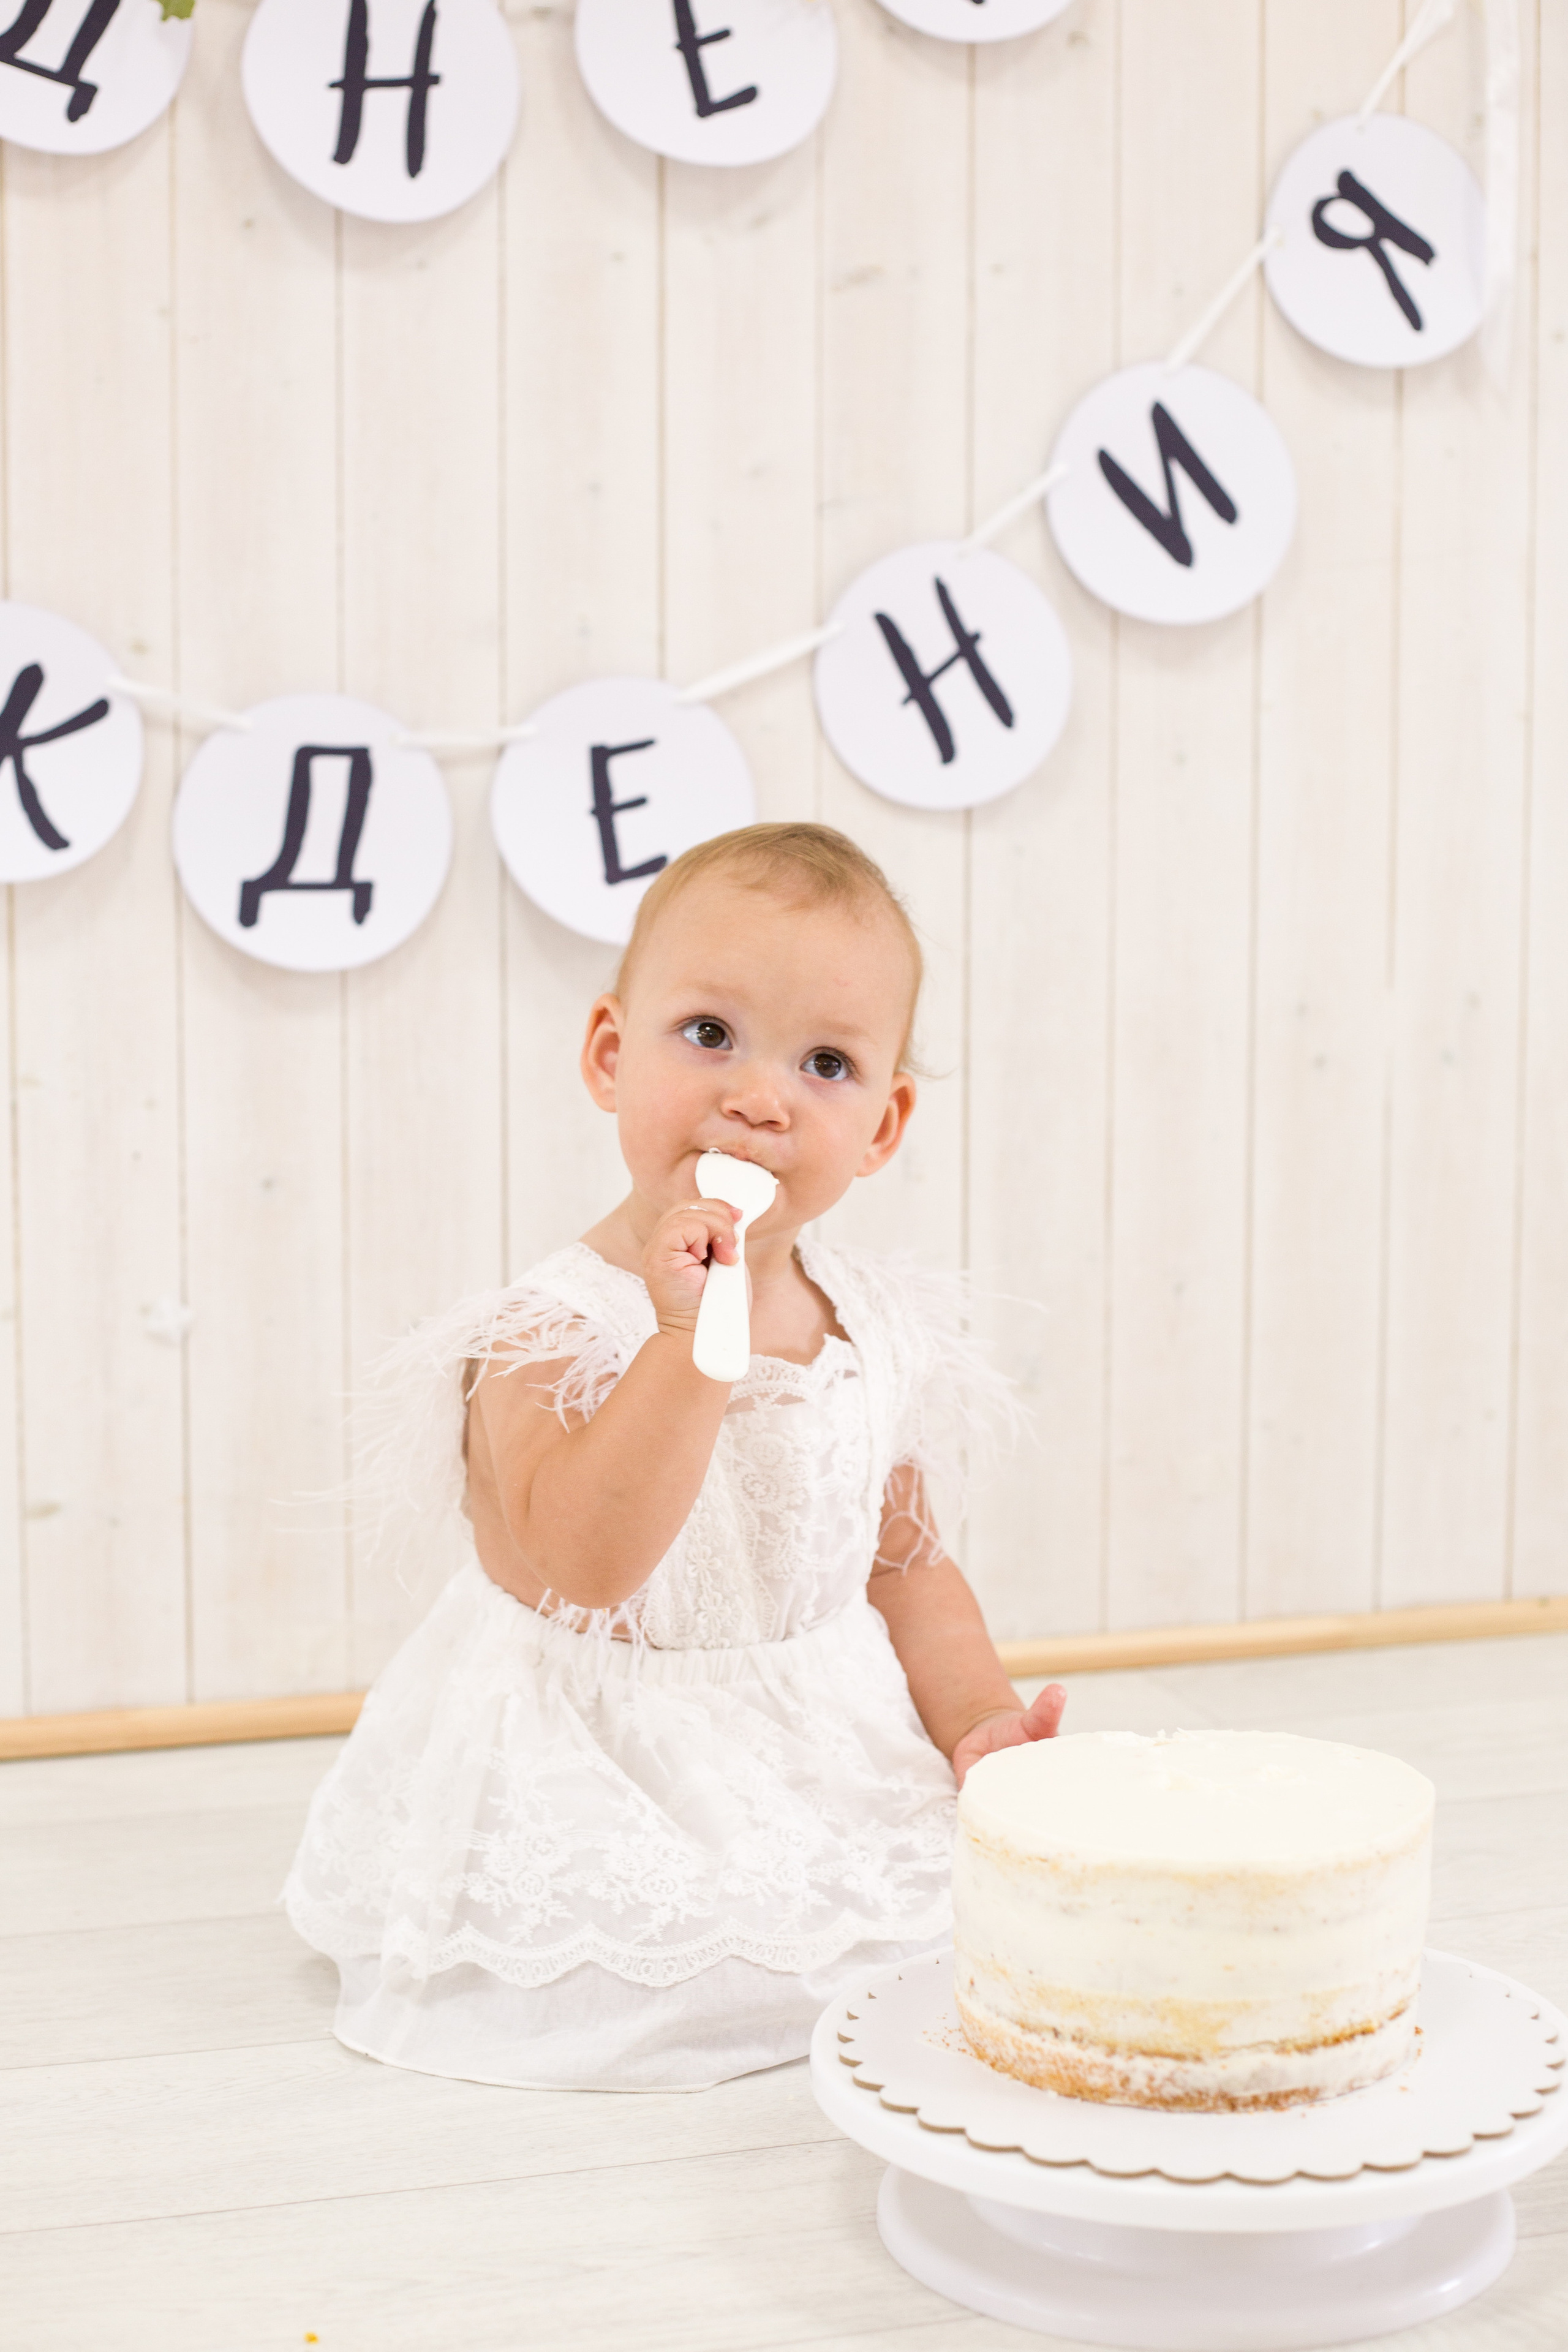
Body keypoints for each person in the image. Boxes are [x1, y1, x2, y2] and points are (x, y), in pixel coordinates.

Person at [284, 822, 1066, 2090]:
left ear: (881, 1125)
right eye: (709, 1035)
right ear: (608, 1055)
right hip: (606, 1758)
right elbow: (583, 1563)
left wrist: (976, 1719)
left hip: (818, 1748)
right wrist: (682, 1345)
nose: (758, 1097)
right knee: (665, 1972)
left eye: (824, 1064)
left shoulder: (862, 1323)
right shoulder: (551, 1331)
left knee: (979, 1931)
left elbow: (908, 1566)